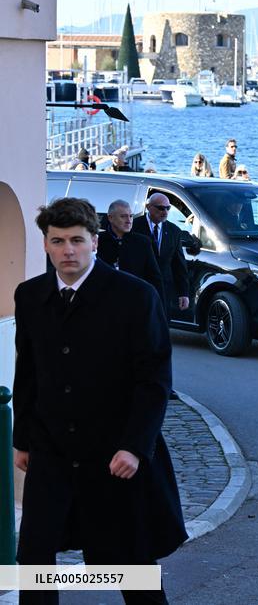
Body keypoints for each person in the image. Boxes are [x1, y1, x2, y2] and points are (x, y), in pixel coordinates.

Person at [13, 198, 187, 603]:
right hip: (52, 450)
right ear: (46, 245)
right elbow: (29, 373)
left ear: (95, 241)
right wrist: (23, 438)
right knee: (35, 562)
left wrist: (134, 446)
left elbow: (154, 381)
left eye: (76, 240)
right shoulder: (30, 296)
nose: (67, 250)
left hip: (114, 454)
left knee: (129, 565)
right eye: (57, 241)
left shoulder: (136, 297)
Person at [131, 193, 190, 319]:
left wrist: (183, 293)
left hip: (164, 290)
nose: (165, 211)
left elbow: (179, 264)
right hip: (139, 287)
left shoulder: (174, 231)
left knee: (162, 328)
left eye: (168, 208)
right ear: (148, 207)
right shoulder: (134, 227)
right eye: (160, 208)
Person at [97, 199, 165, 303]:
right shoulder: (97, 241)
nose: (129, 220)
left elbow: (155, 278)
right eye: (123, 216)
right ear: (110, 217)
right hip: (103, 303)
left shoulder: (142, 242)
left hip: (134, 304)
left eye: (131, 216)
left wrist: (159, 311)